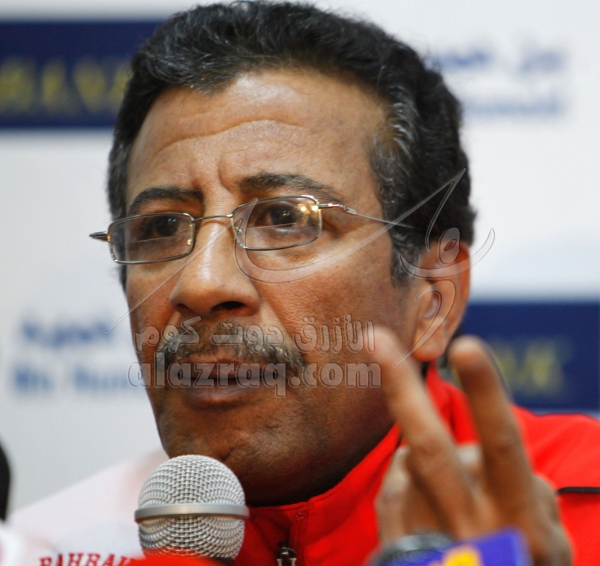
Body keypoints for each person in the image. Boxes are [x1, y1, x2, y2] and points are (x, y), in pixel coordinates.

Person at [10, 2, 600, 565]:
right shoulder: (50, 548)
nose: (202, 282)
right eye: (161, 227)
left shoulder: (577, 525)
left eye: (285, 219)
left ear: (433, 299)